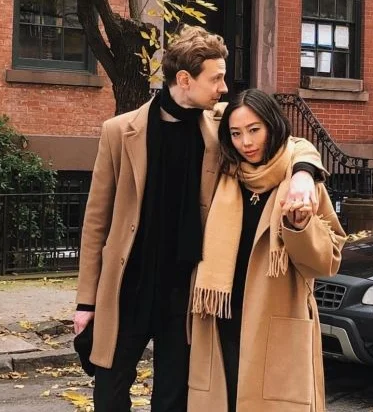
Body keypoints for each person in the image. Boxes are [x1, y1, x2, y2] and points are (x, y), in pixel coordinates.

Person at [74, 26, 324, 412]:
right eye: (217, 78)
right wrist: (85, 303)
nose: (224, 87)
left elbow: (285, 139)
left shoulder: (220, 129)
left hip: (186, 295)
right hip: (127, 290)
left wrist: (305, 172)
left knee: (174, 399)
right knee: (109, 394)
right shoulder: (119, 132)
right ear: (185, 80)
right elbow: (96, 225)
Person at [188, 89, 347, 412]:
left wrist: (300, 226)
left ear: (273, 126)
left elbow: (328, 261)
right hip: (221, 320)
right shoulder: (224, 175)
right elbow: (203, 111)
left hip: (276, 325)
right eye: (236, 133)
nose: (245, 142)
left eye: (254, 130)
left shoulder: (302, 184)